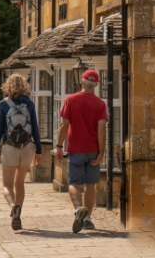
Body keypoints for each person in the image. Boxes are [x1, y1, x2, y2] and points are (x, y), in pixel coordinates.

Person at [55, 69, 108, 233]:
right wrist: (101, 152)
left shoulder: (71, 100)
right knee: (90, 185)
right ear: (96, 84)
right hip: (93, 150)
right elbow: (101, 130)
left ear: (82, 82)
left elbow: (64, 125)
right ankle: (87, 219)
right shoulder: (100, 104)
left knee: (74, 183)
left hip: (76, 149)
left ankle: (79, 209)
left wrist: (58, 146)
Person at [0, 74, 42, 230]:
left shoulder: (3, 104)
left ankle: (13, 206)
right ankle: (18, 215)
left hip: (9, 146)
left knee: (7, 185)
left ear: (8, 86)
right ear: (24, 86)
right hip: (27, 147)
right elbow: (35, 128)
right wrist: (39, 150)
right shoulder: (30, 105)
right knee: (19, 183)